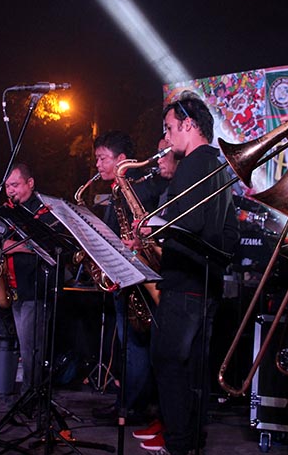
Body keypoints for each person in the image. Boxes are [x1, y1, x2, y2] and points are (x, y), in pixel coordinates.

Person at [140, 91, 239, 455]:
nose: (165, 138)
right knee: (195, 372)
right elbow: (230, 233)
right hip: (206, 285)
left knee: (168, 364)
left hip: (183, 285)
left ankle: (179, 446)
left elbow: (189, 221)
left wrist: (153, 228)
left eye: (168, 129)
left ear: (188, 125)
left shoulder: (193, 164)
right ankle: (192, 443)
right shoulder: (218, 165)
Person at [91, 130, 164, 424]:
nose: (97, 164)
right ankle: (127, 402)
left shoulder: (138, 190)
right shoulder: (118, 191)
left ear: (122, 161)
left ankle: (132, 407)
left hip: (139, 277)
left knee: (135, 346)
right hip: (125, 276)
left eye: (102, 158)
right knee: (128, 346)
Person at [131, 137, 180, 449]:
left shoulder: (182, 191)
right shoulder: (165, 191)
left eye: (164, 153)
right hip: (164, 282)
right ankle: (164, 419)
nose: (158, 159)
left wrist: (150, 243)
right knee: (161, 361)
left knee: (172, 363)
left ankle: (174, 427)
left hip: (175, 285)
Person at [2, 162, 51, 393]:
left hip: (34, 286)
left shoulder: (43, 209)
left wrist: (13, 246)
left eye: (15, 185)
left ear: (30, 183)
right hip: (14, 287)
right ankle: (25, 391)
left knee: (32, 348)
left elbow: (44, 245)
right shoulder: (7, 210)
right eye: (7, 186)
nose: (10, 190)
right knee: (24, 345)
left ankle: (30, 395)